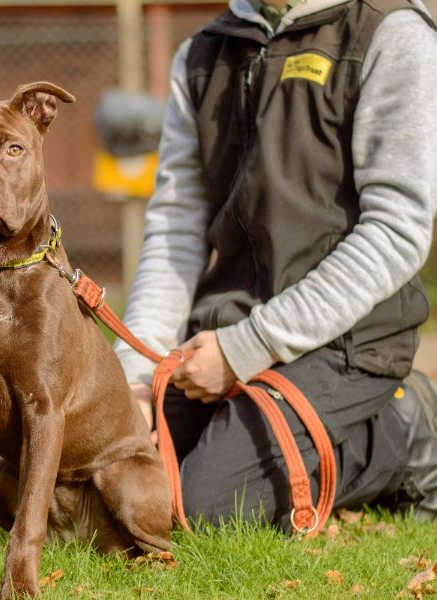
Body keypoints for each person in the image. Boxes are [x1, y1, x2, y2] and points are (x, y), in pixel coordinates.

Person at [115, 0, 437, 529]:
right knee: (101, 477)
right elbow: (176, 226)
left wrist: (249, 347)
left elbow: (397, 231)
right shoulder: (199, 54)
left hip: (349, 343)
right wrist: (136, 377)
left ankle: (403, 436)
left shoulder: (391, 33)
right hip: (220, 336)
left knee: (207, 507)